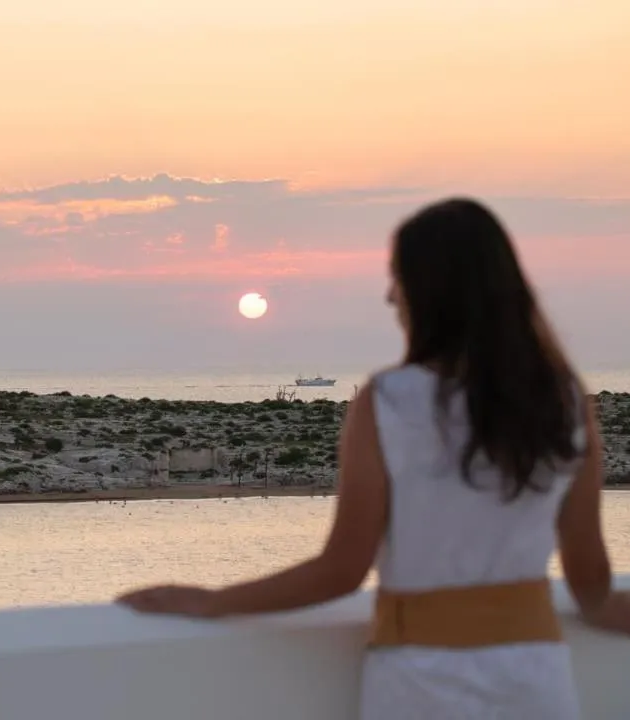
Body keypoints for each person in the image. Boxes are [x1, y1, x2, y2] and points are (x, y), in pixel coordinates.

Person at [116, 198, 630, 719]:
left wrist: (213, 602)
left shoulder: (391, 400)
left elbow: (341, 570)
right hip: (537, 682)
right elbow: (592, 588)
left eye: (398, 279)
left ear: (430, 292)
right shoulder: (564, 400)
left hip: (422, 683)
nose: (390, 297)